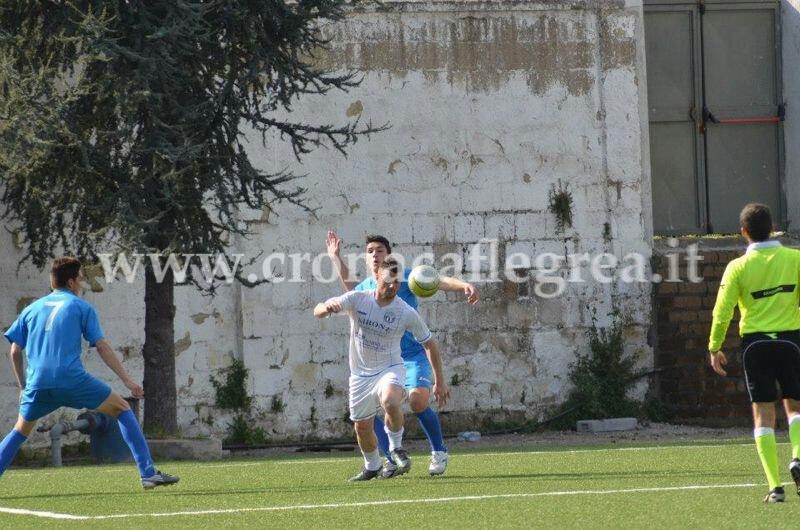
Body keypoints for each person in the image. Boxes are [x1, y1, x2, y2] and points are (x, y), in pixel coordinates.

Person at [1, 257, 179, 489]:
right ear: (72, 282)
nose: (82, 283)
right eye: (81, 279)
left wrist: (23, 387)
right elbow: (102, 346)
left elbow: (14, 351)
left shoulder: (31, 309)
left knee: (20, 430)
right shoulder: (81, 306)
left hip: (38, 383)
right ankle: (148, 473)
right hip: (71, 379)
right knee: (123, 408)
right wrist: (127, 381)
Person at [326, 231, 478, 477]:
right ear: (367, 260)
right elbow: (351, 289)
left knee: (418, 400)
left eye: (380, 251)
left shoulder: (404, 277)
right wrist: (335, 258)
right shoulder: (366, 289)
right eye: (370, 251)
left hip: (412, 355)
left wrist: (464, 286)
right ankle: (391, 459)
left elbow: (437, 281)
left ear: (389, 256)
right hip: (383, 363)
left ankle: (438, 451)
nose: (375, 255)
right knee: (369, 411)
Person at [314, 258, 448, 481]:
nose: (393, 287)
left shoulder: (404, 312)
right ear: (376, 278)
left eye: (396, 283)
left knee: (390, 401)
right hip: (360, 375)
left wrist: (439, 380)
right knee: (362, 427)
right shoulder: (358, 299)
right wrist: (327, 307)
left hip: (391, 369)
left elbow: (430, 342)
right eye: (388, 281)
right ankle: (372, 466)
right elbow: (317, 310)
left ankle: (396, 448)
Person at [708, 203, 800, 503]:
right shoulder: (795, 258)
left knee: (763, 415)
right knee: (795, 407)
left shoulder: (737, 267)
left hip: (755, 345)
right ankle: (797, 457)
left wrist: (715, 346)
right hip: (791, 341)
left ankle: (775, 487)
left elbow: (722, 311)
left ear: (744, 233)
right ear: (773, 228)